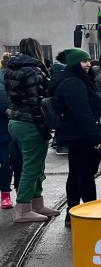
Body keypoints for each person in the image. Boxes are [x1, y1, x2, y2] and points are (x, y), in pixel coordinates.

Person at [4, 37, 59, 223]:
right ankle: (24, 207)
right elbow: (37, 102)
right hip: (31, 123)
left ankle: (36, 203)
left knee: (33, 163)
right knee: (32, 165)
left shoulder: (12, 69)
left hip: (16, 120)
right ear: (37, 50)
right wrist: (45, 126)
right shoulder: (34, 70)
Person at [50, 48, 101, 225]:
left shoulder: (73, 80)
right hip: (82, 137)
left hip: (76, 135)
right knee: (85, 175)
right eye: (83, 61)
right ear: (75, 64)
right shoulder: (74, 83)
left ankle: (72, 213)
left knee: (76, 175)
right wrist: (97, 138)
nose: (88, 64)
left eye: (89, 60)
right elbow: (82, 114)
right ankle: (90, 212)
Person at [0, 55, 13, 210]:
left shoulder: (6, 79)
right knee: (6, 163)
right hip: (4, 127)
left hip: (3, 129)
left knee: (6, 163)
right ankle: (5, 194)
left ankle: (5, 194)